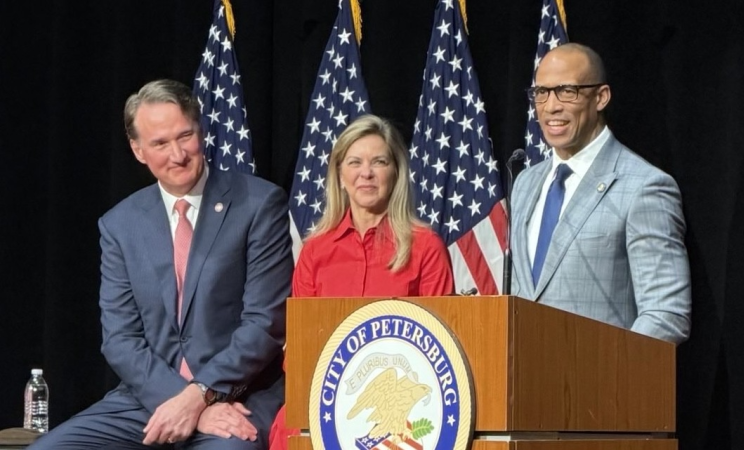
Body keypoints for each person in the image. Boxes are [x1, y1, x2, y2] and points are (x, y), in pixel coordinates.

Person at [29, 79, 293, 449]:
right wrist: (185, 402)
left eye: (185, 136)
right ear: (138, 150)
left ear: (201, 132)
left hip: (239, 397)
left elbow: (265, 324)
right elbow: (121, 339)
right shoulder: (120, 224)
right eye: (160, 143)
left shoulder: (259, 204)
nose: (178, 154)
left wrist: (198, 396)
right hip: (147, 399)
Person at [269, 114, 455, 449]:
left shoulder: (426, 247)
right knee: (287, 428)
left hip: (403, 407)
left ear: (395, 173)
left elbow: (443, 347)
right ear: (340, 176)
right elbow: (297, 350)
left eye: (379, 162)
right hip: (322, 400)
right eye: (354, 162)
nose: (366, 173)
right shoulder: (316, 251)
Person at [511, 43, 691, 344]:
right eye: (541, 92)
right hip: (524, 382)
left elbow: (666, 314)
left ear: (601, 97)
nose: (551, 106)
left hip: (599, 384)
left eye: (567, 91)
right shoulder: (525, 183)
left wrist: (609, 375)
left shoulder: (644, 187)